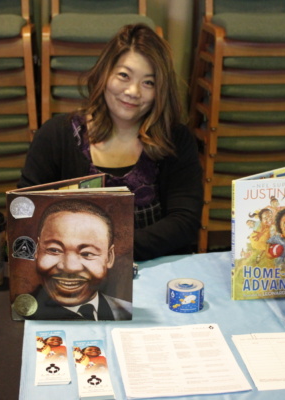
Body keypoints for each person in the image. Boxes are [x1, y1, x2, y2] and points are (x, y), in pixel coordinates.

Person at [19, 23, 203, 261]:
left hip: (157, 267)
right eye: (124, 76)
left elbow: (184, 221)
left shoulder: (176, 139)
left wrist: (109, 251)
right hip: (72, 268)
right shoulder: (56, 135)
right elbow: (25, 212)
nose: (133, 91)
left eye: (148, 82)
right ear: (104, 73)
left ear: (161, 91)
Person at [24, 199, 132, 321]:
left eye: (87, 253)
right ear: (37, 250)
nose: (70, 267)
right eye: (54, 250)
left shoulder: (125, 311)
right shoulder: (21, 312)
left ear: (110, 257)